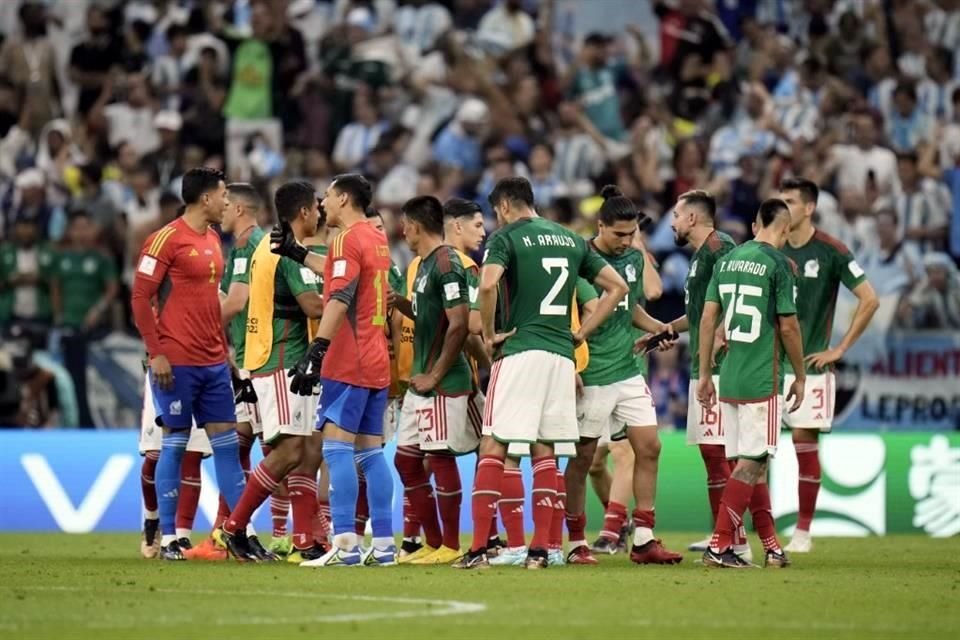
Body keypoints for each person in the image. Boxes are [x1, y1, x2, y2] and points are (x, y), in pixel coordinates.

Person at [454, 177, 629, 570]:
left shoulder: (506, 236)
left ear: (502, 207)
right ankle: (541, 551)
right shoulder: (569, 239)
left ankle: (480, 549)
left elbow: (488, 282)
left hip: (519, 351)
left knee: (494, 446)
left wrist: (490, 332)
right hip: (560, 357)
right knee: (545, 452)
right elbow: (616, 288)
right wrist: (580, 335)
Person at [277, 174, 396, 567]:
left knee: (336, 449)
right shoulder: (375, 237)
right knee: (371, 453)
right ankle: (383, 546)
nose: (323, 203)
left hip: (349, 359)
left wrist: (317, 348)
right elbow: (338, 273)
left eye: (327, 197)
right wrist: (297, 254)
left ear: (343, 198)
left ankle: (344, 544)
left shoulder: (345, 238)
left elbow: (340, 295)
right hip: (377, 359)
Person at [130, 167, 248, 561]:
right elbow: (140, 298)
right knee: (175, 446)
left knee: (227, 450)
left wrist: (226, 348)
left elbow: (211, 300)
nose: (227, 201)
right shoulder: (165, 239)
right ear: (204, 199)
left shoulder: (214, 239)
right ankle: (167, 538)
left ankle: (239, 534)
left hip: (213, 361)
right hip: (175, 361)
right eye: (223, 193)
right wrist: (156, 351)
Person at [563, 186, 682, 567]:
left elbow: (628, 309)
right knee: (583, 460)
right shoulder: (581, 259)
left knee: (650, 447)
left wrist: (657, 328)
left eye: (631, 234)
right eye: (619, 234)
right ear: (599, 226)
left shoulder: (632, 257)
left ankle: (644, 538)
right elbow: (596, 307)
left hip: (629, 371)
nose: (627, 241)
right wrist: (579, 340)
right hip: (593, 371)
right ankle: (576, 541)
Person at [215, 181, 325, 563]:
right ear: (304, 212)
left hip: (278, 358)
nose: (320, 214)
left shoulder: (266, 245)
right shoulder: (285, 250)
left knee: (304, 451)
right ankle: (234, 528)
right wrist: (349, 304)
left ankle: (304, 539)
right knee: (290, 450)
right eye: (317, 207)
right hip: (282, 360)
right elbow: (312, 306)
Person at [697, 198, 804, 569]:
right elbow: (788, 326)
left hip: (730, 376)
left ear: (757, 223)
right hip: (762, 379)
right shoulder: (779, 264)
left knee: (750, 464)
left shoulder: (726, 261)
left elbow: (708, 318)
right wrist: (801, 374)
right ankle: (719, 544)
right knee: (752, 464)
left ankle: (772, 547)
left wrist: (705, 374)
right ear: (786, 229)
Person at [778, 178, 879, 553]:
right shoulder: (768, 249)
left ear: (809, 208)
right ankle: (744, 533)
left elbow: (869, 300)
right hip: (767, 365)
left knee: (804, 444)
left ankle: (802, 533)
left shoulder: (832, 251)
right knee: (751, 452)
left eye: (789, 201)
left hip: (811, 364)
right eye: (779, 201)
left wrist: (840, 349)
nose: (783, 207)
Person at [184, 182, 269, 562]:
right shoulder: (264, 242)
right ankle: (227, 533)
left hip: (256, 358)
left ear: (237, 209)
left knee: (265, 448)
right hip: (256, 354)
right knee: (241, 445)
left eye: (225, 203)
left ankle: (235, 533)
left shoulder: (244, 248)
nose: (220, 209)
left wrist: (195, 333)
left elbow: (235, 303)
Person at [389, 195, 472, 565]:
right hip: (418, 382)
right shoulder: (422, 265)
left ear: (417, 226)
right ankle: (433, 542)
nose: (402, 231)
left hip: (441, 381)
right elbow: (430, 313)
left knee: (438, 457)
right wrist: (401, 303)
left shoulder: (446, 262)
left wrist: (435, 373)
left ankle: (451, 546)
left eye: (405, 225)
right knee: (406, 462)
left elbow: (459, 322)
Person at [663, 190, 743, 555]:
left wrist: (722, 334)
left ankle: (734, 540)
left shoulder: (720, 247)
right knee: (712, 455)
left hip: (722, 366)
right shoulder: (699, 257)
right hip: (703, 364)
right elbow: (699, 315)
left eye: (677, 215)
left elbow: (736, 296)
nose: (672, 222)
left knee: (723, 453)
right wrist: (664, 329)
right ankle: (722, 535)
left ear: (693, 218)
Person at [55, 211, 118, 428]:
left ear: (93, 230)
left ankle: (94, 422)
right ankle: (74, 421)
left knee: (93, 378)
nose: (81, 233)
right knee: (69, 377)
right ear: (70, 231)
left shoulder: (101, 257)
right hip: (68, 325)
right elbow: (56, 288)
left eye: (85, 227)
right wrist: (58, 315)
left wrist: (98, 310)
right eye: (77, 228)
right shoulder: (62, 256)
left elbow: (112, 289)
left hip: (93, 328)